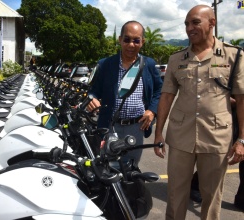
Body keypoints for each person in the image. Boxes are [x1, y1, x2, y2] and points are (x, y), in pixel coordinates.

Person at [154, 5, 244, 220]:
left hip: (216, 137)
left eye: (195, 22)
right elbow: (166, 96)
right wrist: (158, 133)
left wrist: (241, 139)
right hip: (180, 136)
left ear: (212, 23)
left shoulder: (234, 55)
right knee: (176, 194)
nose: (189, 28)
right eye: (186, 23)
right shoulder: (177, 59)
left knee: (212, 197)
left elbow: (241, 99)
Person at [87, 20, 162, 168]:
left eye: (136, 40)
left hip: (137, 126)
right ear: (120, 40)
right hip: (110, 125)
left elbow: (159, 90)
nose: (131, 44)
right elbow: (93, 90)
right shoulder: (105, 64)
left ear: (142, 42)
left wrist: (152, 110)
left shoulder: (149, 64)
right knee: (107, 166)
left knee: (131, 168)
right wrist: (92, 98)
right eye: (127, 39)